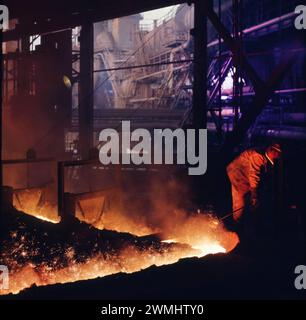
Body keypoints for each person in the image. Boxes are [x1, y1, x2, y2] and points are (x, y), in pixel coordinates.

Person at [227, 143, 282, 228]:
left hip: (245, 174)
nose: (277, 156)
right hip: (238, 173)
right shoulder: (257, 156)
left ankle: (248, 222)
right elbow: (254, 175)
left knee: (251, 198)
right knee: (241, 198)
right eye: (276, 153)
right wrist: (254, 194)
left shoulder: (267, 156)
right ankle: (237, 225)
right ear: (271, 150)